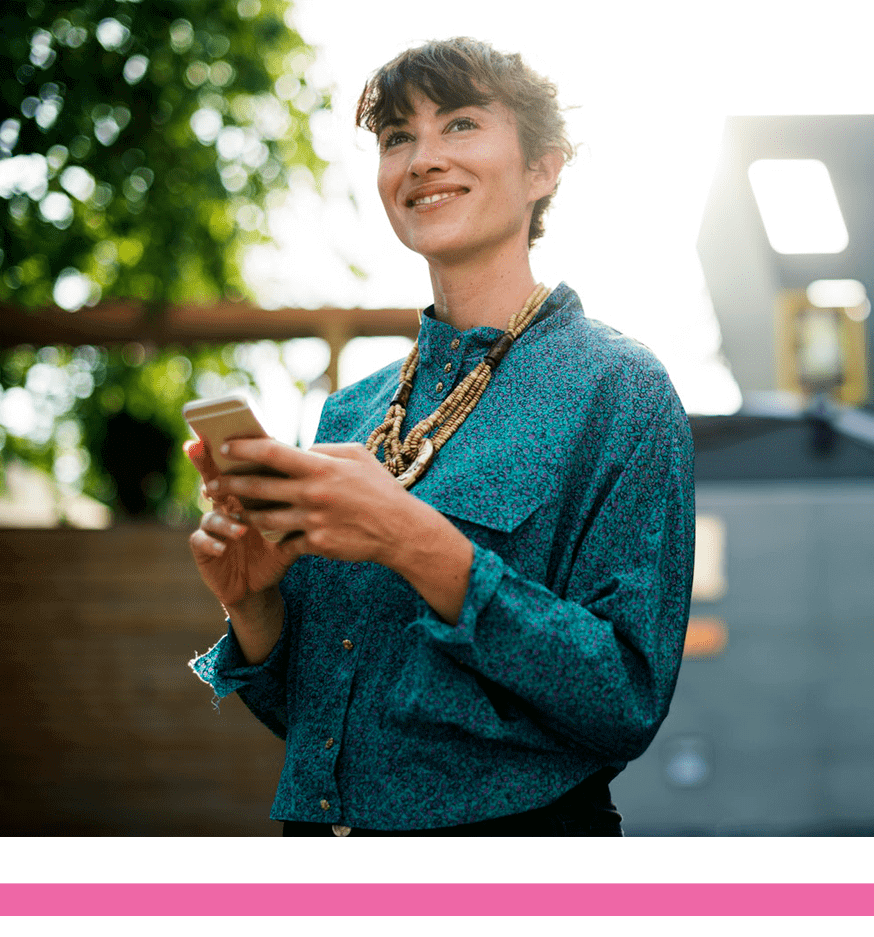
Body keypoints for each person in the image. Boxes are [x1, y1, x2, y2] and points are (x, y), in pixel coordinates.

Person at [185, 37, 695, 837]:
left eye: (459, 124)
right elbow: (315, 722)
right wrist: (250, 602)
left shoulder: (621, 390)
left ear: (542, 169)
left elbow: (626, 697)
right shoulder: (349, 414)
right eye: (397, 137)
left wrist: (411, 538)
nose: (421, 159)